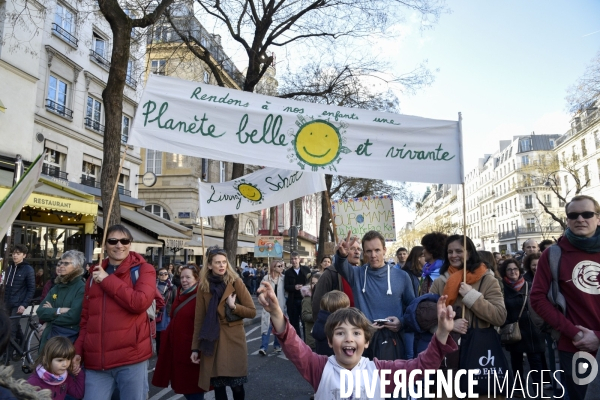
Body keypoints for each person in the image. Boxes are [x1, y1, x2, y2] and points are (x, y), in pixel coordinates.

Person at [257, 281, 458, 398]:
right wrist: (276, 312)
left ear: (367, 341)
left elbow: (421, 366)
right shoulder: (318, 368)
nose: (348, 339)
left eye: (356, 333)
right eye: (340, 333)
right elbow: (294, 346)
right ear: (329, 341)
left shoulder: (380, 372)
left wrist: (441, 333)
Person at [73, 224, 156, 400]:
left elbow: (139, 302)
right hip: (97, 362)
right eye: (113, 241)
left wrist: (107, 280)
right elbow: (86, 319)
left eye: (124, 240)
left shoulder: (144, 269)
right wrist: (78, 351)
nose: (119, 245)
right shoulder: (93, 276)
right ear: (105, 245)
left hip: (131, 359)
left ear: (130, 244)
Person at [530, 195, 600, 399]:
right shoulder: (553, 254)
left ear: (598, 218)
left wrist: (597, 336)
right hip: (575, 347)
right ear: (567, 219)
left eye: (587, 214)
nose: (580, 219)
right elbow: (537, 299)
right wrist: (575, 334)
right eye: (573, 215)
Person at [428, 235, 506, 398]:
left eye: (459, 251)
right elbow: (427, 317)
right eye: (450, 252)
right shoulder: (439, 283)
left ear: (469, 253)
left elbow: (499, 316)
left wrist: (471, 296)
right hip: (448, 357)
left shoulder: (487, 280)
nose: (454, 255)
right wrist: (446, 326)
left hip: (480, 351)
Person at [335, 230, 415, 359]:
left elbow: (412, 308)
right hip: (364, 340)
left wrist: (401, 322)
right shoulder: (356, 274)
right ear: (364, 253)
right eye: (368, 251)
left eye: (377, 250)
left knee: (390, 378)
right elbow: (340, 265)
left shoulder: (402, 276)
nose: (373, 255)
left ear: (384, 250)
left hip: (392, 340)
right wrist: (341, 255)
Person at [191, 247, 256, 400]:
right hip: (212, 341)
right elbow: (199, 320)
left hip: (234, 340)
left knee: (237, 386)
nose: (221, 266)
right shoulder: (203, 287)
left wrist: (234, 307)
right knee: (219, 388)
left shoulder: (236, 282)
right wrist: (194, 348)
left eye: (224, 262)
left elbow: (252, 311)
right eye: (217, 262)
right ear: (209, 265)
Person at [153, 264, 209, 400]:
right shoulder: (178, 293)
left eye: (188, 277)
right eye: (182, 277)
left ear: (197, 278)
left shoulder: (201, 296)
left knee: (194, 390)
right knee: (184, 388)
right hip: (177, 349)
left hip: (192, 351)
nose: (184, 280)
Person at [499, 258, 545, 392]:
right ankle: (519, 388)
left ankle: (538, 388)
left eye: (515, 269)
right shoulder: (502, 289)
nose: (513, 272)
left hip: (532, 330)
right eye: (509, 269)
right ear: (505, 272)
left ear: (519, 270)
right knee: (516, 362)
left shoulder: (530, 285)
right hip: (514, 330)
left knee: (536, 361)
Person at [36, 250, 85, 352]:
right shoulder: (57, 287)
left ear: (77, 266)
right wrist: (59, 310)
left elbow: (73, 317)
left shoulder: (81, 288)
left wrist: (50, 315)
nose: (61, 266)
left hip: (66, 340)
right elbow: (40, 311)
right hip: (48, 338)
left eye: (66, 263)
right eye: (61, 263)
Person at [0, 308, 52, 399]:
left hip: (18, 306)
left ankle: (19, 349)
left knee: (13, 328)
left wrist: (23, 304)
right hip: (11, 306)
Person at [311, 243, 358, 321]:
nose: (357, 252)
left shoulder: (361, 273)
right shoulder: (330, 274)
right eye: (352, 248)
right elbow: (317, 304)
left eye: (359, 249)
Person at [3, 244, 35, 358]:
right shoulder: (9, 267)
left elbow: (31, 288)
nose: (15, 256)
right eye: (14, 253)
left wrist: (24, 304)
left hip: (18, 304)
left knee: (10, 330)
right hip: (7, 303)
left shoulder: (28, 269)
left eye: (18, 253)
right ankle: (23, 346)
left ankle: (8, 356)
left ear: (24, 255)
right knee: (11, 327)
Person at [401, 246, 425, 359]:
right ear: (418, 258)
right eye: (424, 255)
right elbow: (409, 299)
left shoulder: (420, 274)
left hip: (417, 319)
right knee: (410, 355)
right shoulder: (407, 274)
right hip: (409, 319)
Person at [259, 260, 286, 355]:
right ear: (274, 267)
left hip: (280, 305)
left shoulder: (283, 278)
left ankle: (277, 346)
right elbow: (260, 290)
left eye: (282, 266)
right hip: (268, 305)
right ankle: (263, 347)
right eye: (279, 266)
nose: (282, 267)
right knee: (266, 326)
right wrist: (262, 298)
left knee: (278, 325)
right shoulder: (266, 278)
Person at [312, 290, 350, 356]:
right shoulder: (336, 325)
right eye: (347, 307)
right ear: (339, 310)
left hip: (323, 360)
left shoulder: (320, 321)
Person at [284, 251, 311, 337]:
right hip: (293, 300)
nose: (294, 261)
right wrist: (294, 287)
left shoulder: (306, 269)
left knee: (305, 323)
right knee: (294, 323)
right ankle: (298, 344)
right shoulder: (288, 272)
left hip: (305, 300)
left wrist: (305, 287)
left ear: (299, 259)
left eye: (295, 259)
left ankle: (307, 343)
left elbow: (310, 282)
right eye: (292, 259)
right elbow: (286, 286)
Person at [156, 267, 177, 355]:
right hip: (156, 313)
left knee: (166, 335)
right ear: (158, 275)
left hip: (167, 313)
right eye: (161, 274)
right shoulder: (153, 286)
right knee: (157, 337)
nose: (164, 275)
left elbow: (175, 302)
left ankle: (166, 355)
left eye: (165, 273)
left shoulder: (172, 287)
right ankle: (159, 355)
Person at [301, 273, 320, 350]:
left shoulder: (325, 297)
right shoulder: (307, 299)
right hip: (312, 336)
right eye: (313, 283)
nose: (315, 285)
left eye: (317, 283)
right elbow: (305, 316)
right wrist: (320, 316)